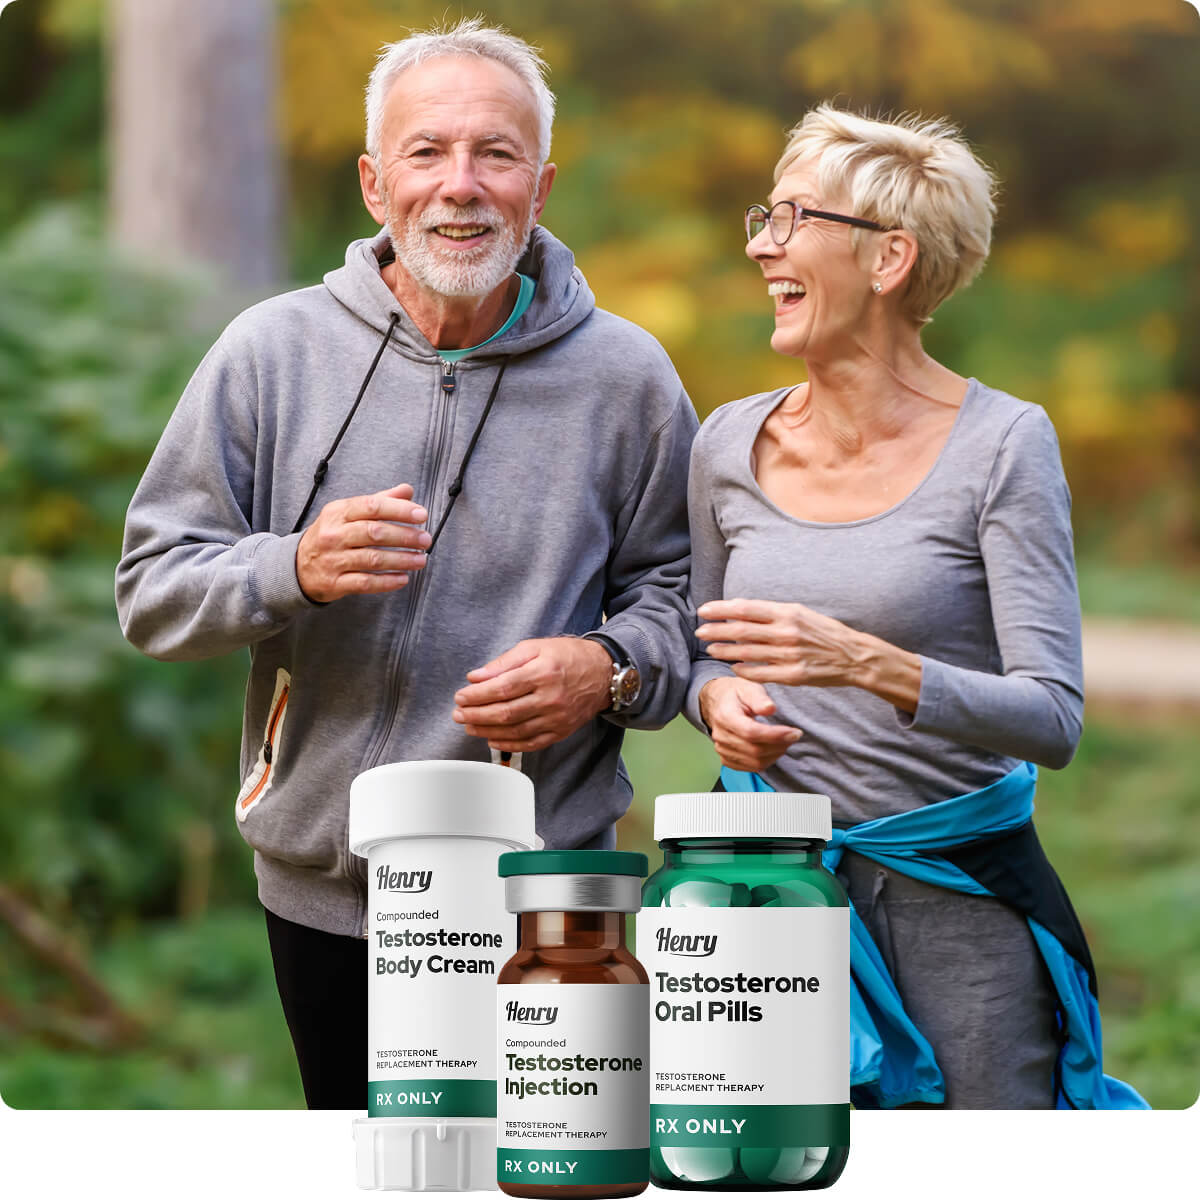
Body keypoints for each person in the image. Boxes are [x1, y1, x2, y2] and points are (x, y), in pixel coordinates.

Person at [116, 19, 696, 1109]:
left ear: (542, 183)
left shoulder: (628, 377)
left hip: (543, 884)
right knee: (368, 1169)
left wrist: (606, 668)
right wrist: (292, 568)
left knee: (548, 1169)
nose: (461, 186)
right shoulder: (270, 352)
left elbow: (687, 603)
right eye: (427, 153)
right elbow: (152, 592)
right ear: (376, 184)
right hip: (325, 892)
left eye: (496, 153)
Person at [685, 104, 1144, 1109]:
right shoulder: (725, 443)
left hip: (958, 898)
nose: (762, 244)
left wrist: (862, 662)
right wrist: (716, 702)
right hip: (765, 889)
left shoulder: (1004, 446)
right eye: (762, 217)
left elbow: (1053, 717)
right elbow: (701, 650)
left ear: (889, 257)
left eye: (793, 218)